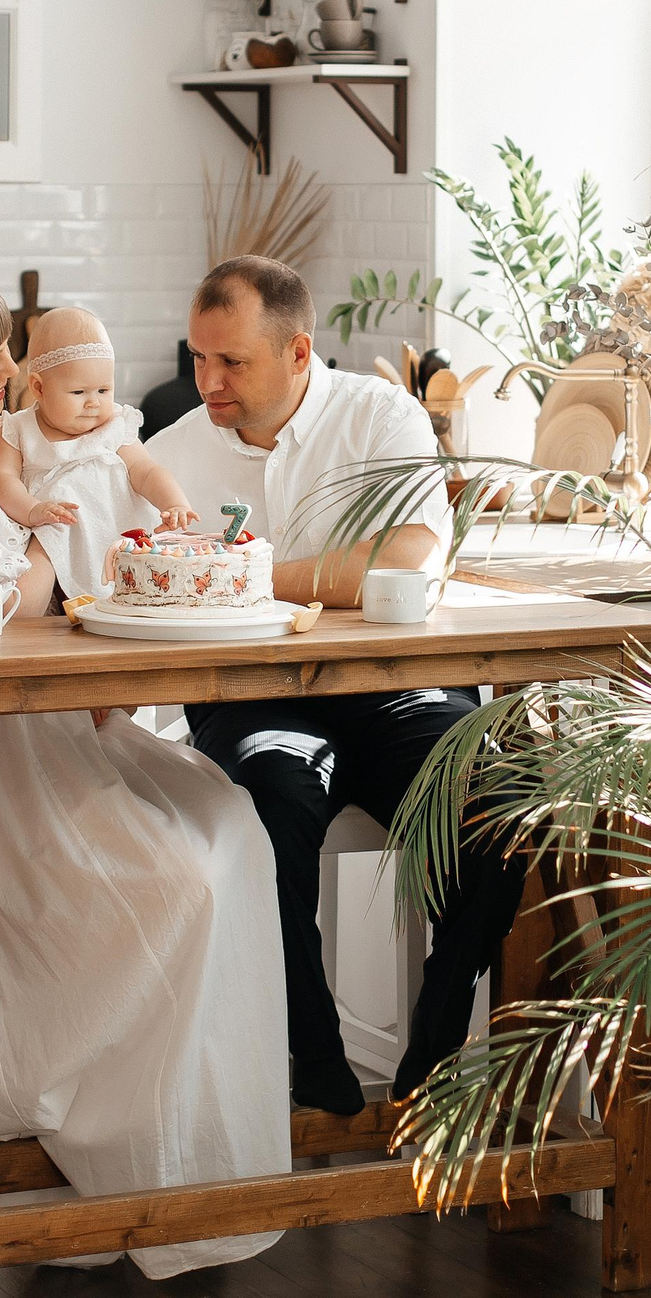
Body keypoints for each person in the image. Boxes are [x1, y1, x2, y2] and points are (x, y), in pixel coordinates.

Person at [0, 272, 290, 1278]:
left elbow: (31, 567)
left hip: (48, 717)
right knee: (176, 881)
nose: (9, 378)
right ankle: (95, 1121)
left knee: (230, 818)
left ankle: (175, 1137)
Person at [144, 255, 531, 1115]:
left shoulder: (380, 415)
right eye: (197, 357)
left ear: (296, 352)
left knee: (501, 802)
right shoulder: (168, 455)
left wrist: (237, 574)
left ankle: (437, 1028)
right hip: (251, 698)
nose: (205, 381)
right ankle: (311, 1047)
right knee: (272, 799)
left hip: (399, 689)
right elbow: (140, 574)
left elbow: (402, 561)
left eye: (230, 362)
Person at [0, 304, 200, 601]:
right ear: (38, 388)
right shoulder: (19, 429)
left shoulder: (115, 426)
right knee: (38, 565)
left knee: (155, 569)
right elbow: (0, 478)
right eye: (78, 392)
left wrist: (173, 502)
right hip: (55, 526)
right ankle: (23, 622)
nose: (93, 403)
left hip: (121, 530)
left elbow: (146, 471)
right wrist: (32, 509)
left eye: (103, 390)